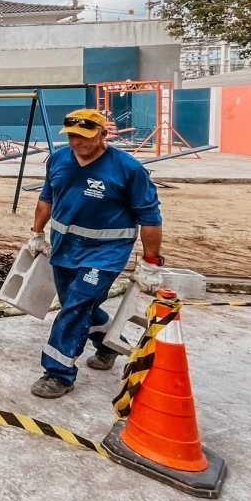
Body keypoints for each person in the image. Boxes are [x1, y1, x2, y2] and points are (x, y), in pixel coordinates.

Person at [28, 108, 164, 399]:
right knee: (76, 305)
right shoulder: (59, 159)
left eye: (86, 137)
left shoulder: (128, 169)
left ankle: (58, 373)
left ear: (104, 133)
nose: (78, 143)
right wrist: (36, 233)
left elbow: (150, 218)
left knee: (76, 307)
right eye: (73, 136)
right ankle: (108, 344)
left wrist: (151, 262)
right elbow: (46, 199)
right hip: (65, 248)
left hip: (106, 253)